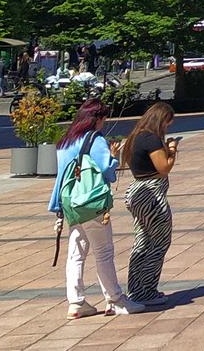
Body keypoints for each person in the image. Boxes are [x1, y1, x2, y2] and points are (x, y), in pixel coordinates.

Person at [49, 100, 141, 317]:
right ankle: (115, 299)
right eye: (103, 118)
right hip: (92, 203)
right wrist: (114, 156)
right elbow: (107, 171)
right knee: (104, 251)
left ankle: (76, 302)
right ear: (97, 118)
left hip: (70, 203)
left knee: (76, 253)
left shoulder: (65, 141)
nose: (104, 122)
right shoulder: (95, 139)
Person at [121, 101, 180, 305]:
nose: (166, 129)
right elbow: (163, 167)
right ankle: (146, 290)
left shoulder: (135, 137)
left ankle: (136, 289)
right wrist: (172, 149)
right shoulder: (151, 139)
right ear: (160, 120)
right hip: (151, 195)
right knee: (159, 242)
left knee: (143, 241)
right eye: (166, 124)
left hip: (138, 191)